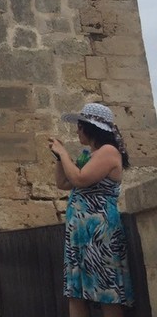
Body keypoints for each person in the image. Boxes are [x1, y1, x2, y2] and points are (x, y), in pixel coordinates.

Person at [48, 102, 133, 317]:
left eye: (79, 126)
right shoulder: (88, 155)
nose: (77, 131)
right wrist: (60, 159)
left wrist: (64, 153)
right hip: (79, 233)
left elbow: (80, 178)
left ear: (90, 128)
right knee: (76, 292)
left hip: (100, 233)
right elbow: (64, 183)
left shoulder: (108, 152)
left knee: (107, 291)